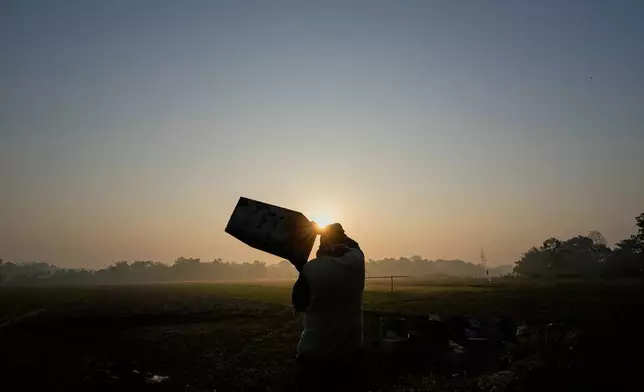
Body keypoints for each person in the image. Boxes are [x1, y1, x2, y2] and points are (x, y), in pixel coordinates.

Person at [291, 223, 366, 392]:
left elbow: (298, 303)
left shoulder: (310, 269)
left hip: (314, 355)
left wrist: (300, 266)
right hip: (350, 353)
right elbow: (353, 246)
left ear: (322, 245)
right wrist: (330, 233)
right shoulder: (356, 261)